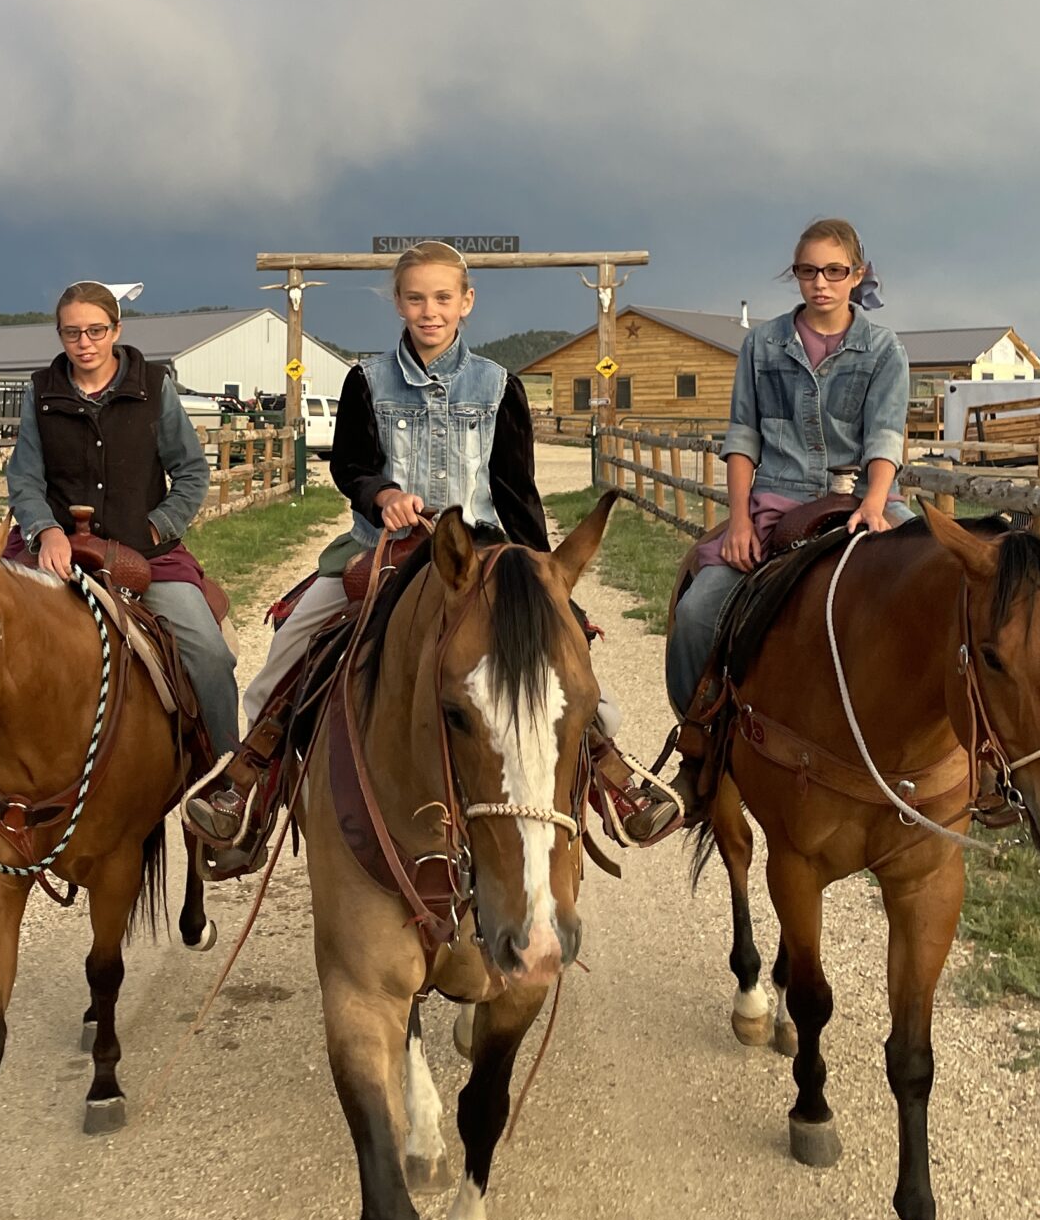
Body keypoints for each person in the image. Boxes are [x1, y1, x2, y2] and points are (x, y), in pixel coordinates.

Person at [186, 240, 678, 873]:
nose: (429, 310)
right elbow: (350, 464)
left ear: (466, 302)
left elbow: (514, 488)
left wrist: (546, 578)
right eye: (416, 298)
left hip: (482, 553)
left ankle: (612, 772)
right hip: (384, 550)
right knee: (294, 639)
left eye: (443, 297)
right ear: (398, 302)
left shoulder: (499, 386)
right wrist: (381, 493)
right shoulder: (366, 379)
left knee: (564, 650)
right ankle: (253, 780)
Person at [665, 217, 911, 728]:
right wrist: (737, 522)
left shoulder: (884, 350)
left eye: (833, 271)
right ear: (795, 274)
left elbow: (885, 436)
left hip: (864, 497)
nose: (820, 283)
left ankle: (959, 756)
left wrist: (874, 502)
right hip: (779, 500)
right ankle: (697, 739)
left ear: (856, 274)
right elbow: (743, 437)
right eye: (808, 270)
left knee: (940, 584)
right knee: (695, 613)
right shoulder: (763, 346)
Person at [4, 281, 239, 766]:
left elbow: (192, 470)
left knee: (210, 655)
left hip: (144, 552)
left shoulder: (154, 387)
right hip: (57, 549)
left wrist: (158, 527)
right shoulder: (40, 392)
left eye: (94, 330)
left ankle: (227, 776)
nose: (84, 343)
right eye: (72, 333)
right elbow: (25, 477)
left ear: (116, 329)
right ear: (60, 335)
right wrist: (45, 530)